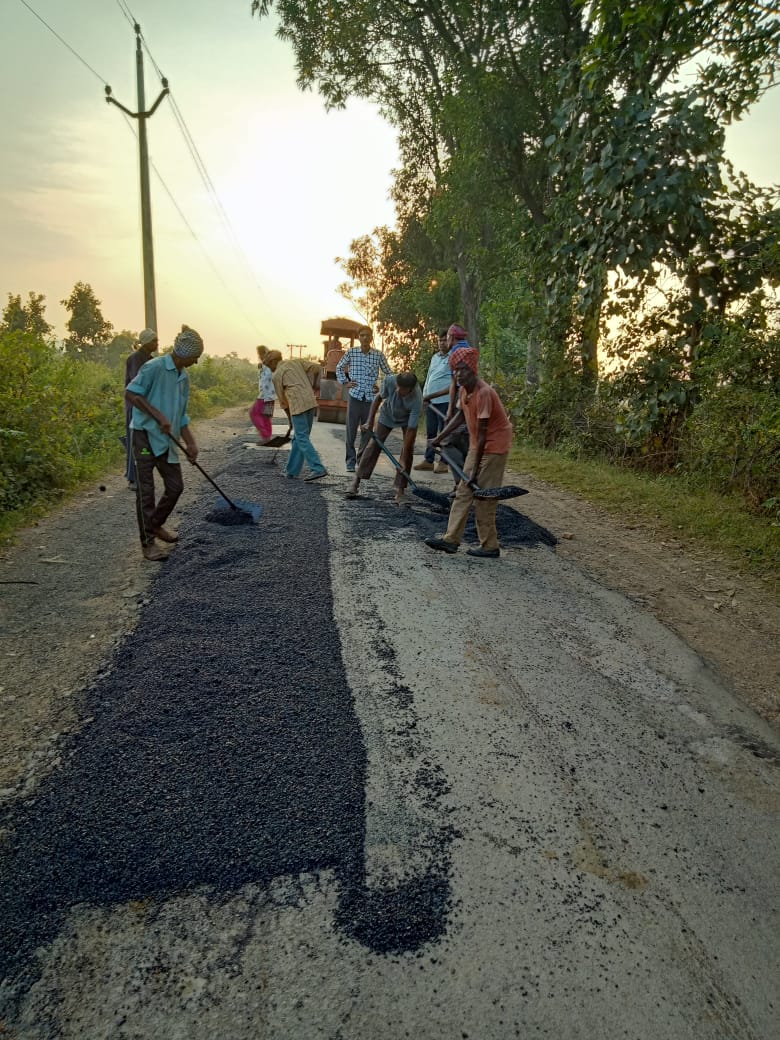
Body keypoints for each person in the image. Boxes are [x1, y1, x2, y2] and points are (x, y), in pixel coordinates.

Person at [424, 346, 513, 559]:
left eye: (462, 370)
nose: (458, 374)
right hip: (478, 445)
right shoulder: (465, 391)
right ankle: (450, 540)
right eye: (455, 370)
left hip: (495, 447)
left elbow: (483, 433)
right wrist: (439, 437)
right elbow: (460, 417)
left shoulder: (484, 393)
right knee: (464, 491)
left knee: (484, 495)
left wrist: (474, 473)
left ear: (472, 370)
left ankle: (490, 546)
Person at [125, 325, 203, 562]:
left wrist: (191, 443)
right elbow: (131, 393)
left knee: (175, 486)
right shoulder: (154, 367)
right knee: (146, 490)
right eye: (194, 358)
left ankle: (156, 524)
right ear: (182, 353)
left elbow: (182, 415)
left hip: (166, 439)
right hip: (145, 437)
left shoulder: (184, 377)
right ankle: (148, 544)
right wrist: (158, 415)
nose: (196, 362)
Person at [346, 372, 423, 505]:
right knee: (372, 446)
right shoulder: (390, 381)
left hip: (406, 420)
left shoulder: (417, 399)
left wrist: (403, 460)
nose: (398, 391)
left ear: (410, 389)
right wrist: (370, 421)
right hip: (387, 414)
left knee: (408, 451)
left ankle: (400, 491)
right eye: (398, 387)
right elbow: (378, 398)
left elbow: (411, 430)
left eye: (403, 390)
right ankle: (356, 482)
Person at [263, 350, 328, 481]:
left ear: (274, 362)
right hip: (310, 401)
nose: (269, 368)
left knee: (302, 438)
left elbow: (283, 403)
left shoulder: (277, 376)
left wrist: (290, 420)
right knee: (298, 438)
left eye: (269, 365)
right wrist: (314, 385)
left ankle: (318, 468)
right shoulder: (296, 362)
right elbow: (317, 368)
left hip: (298, 405)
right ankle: (291, 471)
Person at [335, 326, 392, 472]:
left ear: (371, 337)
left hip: (371, 400)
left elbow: (389, 373)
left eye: (368, 335)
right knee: (351, 431)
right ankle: (350, 462)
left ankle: (361, 461)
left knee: (367, 432)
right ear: (359, 337)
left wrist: (381, 386)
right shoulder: (352, 352)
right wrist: (345, 382)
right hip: (355, 397)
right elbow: (339, 367)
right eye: (362, 335)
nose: (365, 338)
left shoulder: (378, 355)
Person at [123, 328, 158, 489]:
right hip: (136, 406)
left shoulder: (149, 359)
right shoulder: (136, 359)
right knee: (136, 442)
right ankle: (133, 478)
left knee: (143, 444)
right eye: (154, 341)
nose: (157, 343)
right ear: (146, 343)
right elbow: (138, 385)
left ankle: (139, 475)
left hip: (145, 407)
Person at [414, 327, 452, 473]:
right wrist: (425, 396)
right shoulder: (435, 357)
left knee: (444, 432)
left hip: (445, 400)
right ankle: (429, 460)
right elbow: (430, 377)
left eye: (444, 340)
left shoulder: (452, 357)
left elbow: (454, 382)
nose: (442, 343)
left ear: (449, 341)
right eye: (439, 340)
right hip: (430, 401)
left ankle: (444, 462)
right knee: (431, 432)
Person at [249, 344, 275, 444]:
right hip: (271, 396)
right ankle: (267, 438)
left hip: (264, 396)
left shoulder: (265, 365)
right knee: (266, 417)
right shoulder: (271, 365)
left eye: (260, 354)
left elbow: (265, 379)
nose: (259, 356)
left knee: (253, 413)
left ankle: (265, 435)